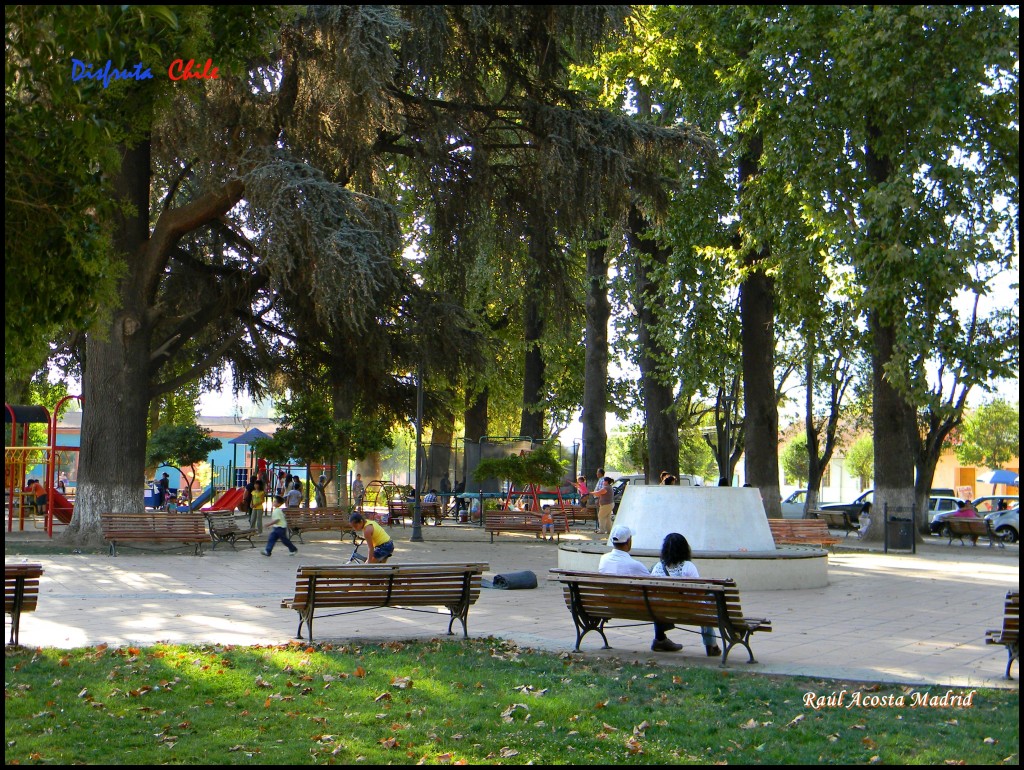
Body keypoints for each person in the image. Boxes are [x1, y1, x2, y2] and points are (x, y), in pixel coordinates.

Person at [599, 525, 680, 652]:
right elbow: (653, 586)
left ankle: (661, 639)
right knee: (657, 600)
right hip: (634, 607)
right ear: (628, 541)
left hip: (609, 604)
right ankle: (660, 639)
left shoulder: (603, 559)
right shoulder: (634, 565)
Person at [651, 532, 722, 657]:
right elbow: (699, 592)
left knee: (659, 601)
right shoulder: (688, 567)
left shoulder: (657, 567)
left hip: (662, 611)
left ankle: (659, 639)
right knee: (707, 603)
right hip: (688, 610)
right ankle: (711, 645)